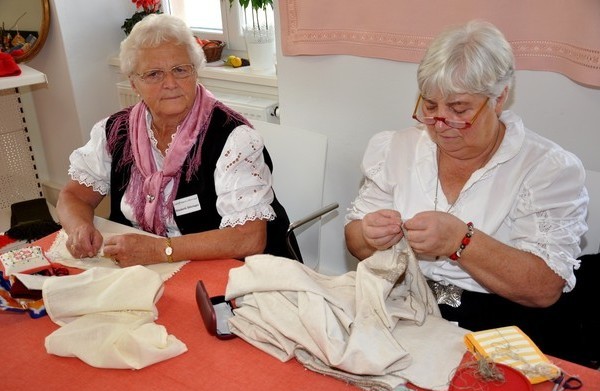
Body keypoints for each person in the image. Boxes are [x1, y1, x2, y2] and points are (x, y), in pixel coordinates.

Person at [345, 20, 588, 352]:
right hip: (404, 308)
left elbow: (544, 288)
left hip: (503, 324)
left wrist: (461, 241)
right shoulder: (396, 148)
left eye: (459, 109)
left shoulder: (547, 169)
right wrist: (368, 234)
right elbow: (356, 244)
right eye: (430, 107)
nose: (441, 125)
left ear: (499, 98)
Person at [56, 13, 297, 266]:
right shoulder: (115, 131)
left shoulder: (234, 138)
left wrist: (161, 250)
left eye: (180, 70)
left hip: (230, 270)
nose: (170, 83)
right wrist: (79, 228)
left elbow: (248, 239)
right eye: (153, 74)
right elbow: (74, 196)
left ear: (196, 73)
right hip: (146, 267)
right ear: (134, 84)